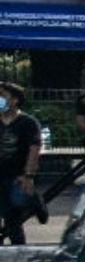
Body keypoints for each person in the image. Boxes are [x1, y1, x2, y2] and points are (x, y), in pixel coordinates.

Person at [0, 84, 41, 244]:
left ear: (15, 100)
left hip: (19, 173)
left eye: (3, 96)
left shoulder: (27, 122)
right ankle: (18, 244)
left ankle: (35, 201)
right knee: (8, 211)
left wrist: (28, 175)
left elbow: (34, 148)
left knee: (17, 203)